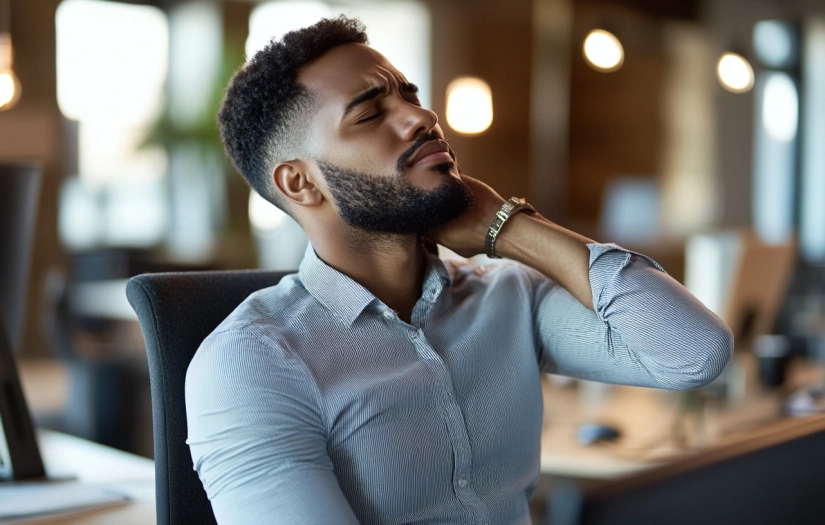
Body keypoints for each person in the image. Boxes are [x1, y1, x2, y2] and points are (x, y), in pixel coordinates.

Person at [185, 16, 733, 525]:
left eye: (411, 95)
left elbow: (694, 353)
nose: (421, 117)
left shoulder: (509, 294)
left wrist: (509, 227)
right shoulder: (251, 363)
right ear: (300, 183)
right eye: (371, 114)